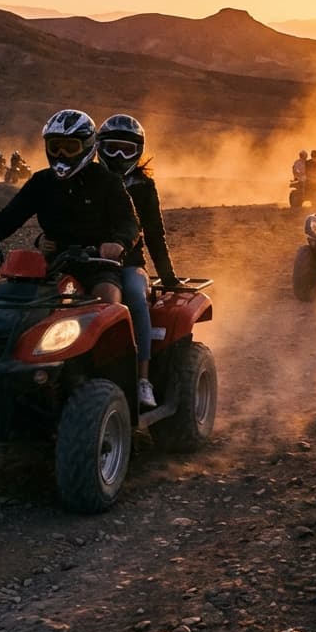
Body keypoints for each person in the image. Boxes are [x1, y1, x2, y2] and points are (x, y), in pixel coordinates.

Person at [0, 109, 140, 309]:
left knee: (106, 301)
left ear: (87, 147)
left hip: (98, 265)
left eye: (70, 147)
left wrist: (118, 243)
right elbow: (9, 217)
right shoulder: (42, 181)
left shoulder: (107, 181)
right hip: (52, 265)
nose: (62, 154)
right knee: (6, 300)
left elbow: (129, 221)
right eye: (55, 147)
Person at [97, 113, 181, 411]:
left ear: (139, 151)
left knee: (134, 294)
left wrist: (168, 277)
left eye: (127, 149)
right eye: (112, 148)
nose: (119, 156)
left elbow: (155, 234)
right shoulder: (89, 179)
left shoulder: (144, 187)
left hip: (129, 264)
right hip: (89, 262)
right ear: (98, 147)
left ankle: (143, 379)